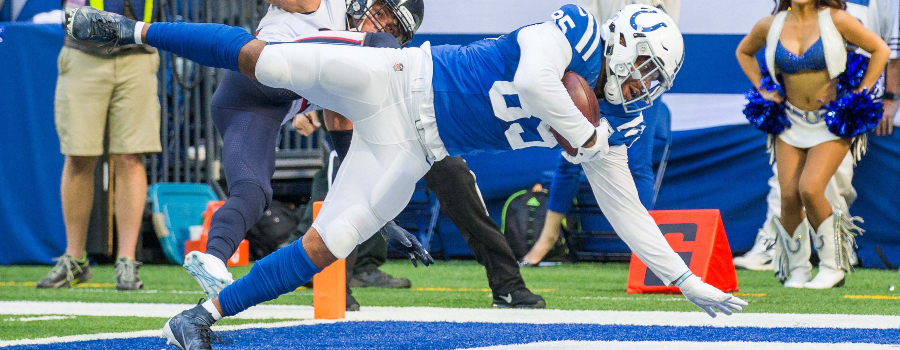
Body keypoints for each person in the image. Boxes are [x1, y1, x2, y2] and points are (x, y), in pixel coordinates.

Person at [65, 4, 747, 347]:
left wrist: (685, 279)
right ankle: (127, 29)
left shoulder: (616, 122)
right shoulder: (577, 28)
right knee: (265, 61)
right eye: (648, 68)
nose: (645, 87)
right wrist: (586, 132)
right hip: (395, 78)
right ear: (624, 42)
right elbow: (538, 80)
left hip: (414, 147)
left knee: (331, 241)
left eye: (658, 80)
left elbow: (626, 207)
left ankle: (200, 317)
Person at [178, 0, 429, 312]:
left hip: (266, 111)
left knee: (254, 194)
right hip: (247, 91)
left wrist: (381, 215)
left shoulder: (356, 66)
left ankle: (212, 260)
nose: (381, 28)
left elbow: (340, 128)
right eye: (383, 16)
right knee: (254, 190)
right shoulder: (323, 6)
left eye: (393, 28)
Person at [734, 0, 898, 272]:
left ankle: (835, 263)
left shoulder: (838, 19)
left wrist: (862, 92)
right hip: (790, 119)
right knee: (787, 196)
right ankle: (797, 268)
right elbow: (744, 51)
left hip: (830, 122)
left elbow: (879, 49)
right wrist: (763, 89)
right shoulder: (770, 24)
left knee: (814, 189)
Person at [521, 0, 679, 267]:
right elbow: (592, 20)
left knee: (638, 163)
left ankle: (645, 256)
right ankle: (547, 239)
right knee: (570, 154)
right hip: (606, 64)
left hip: (644, 69)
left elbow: (666, 29)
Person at [37, 0, 160, 291]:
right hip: (82, 52)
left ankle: (127, 260)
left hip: (138, 53)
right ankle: (75, 259)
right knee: (78, 155)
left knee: (131, 156)